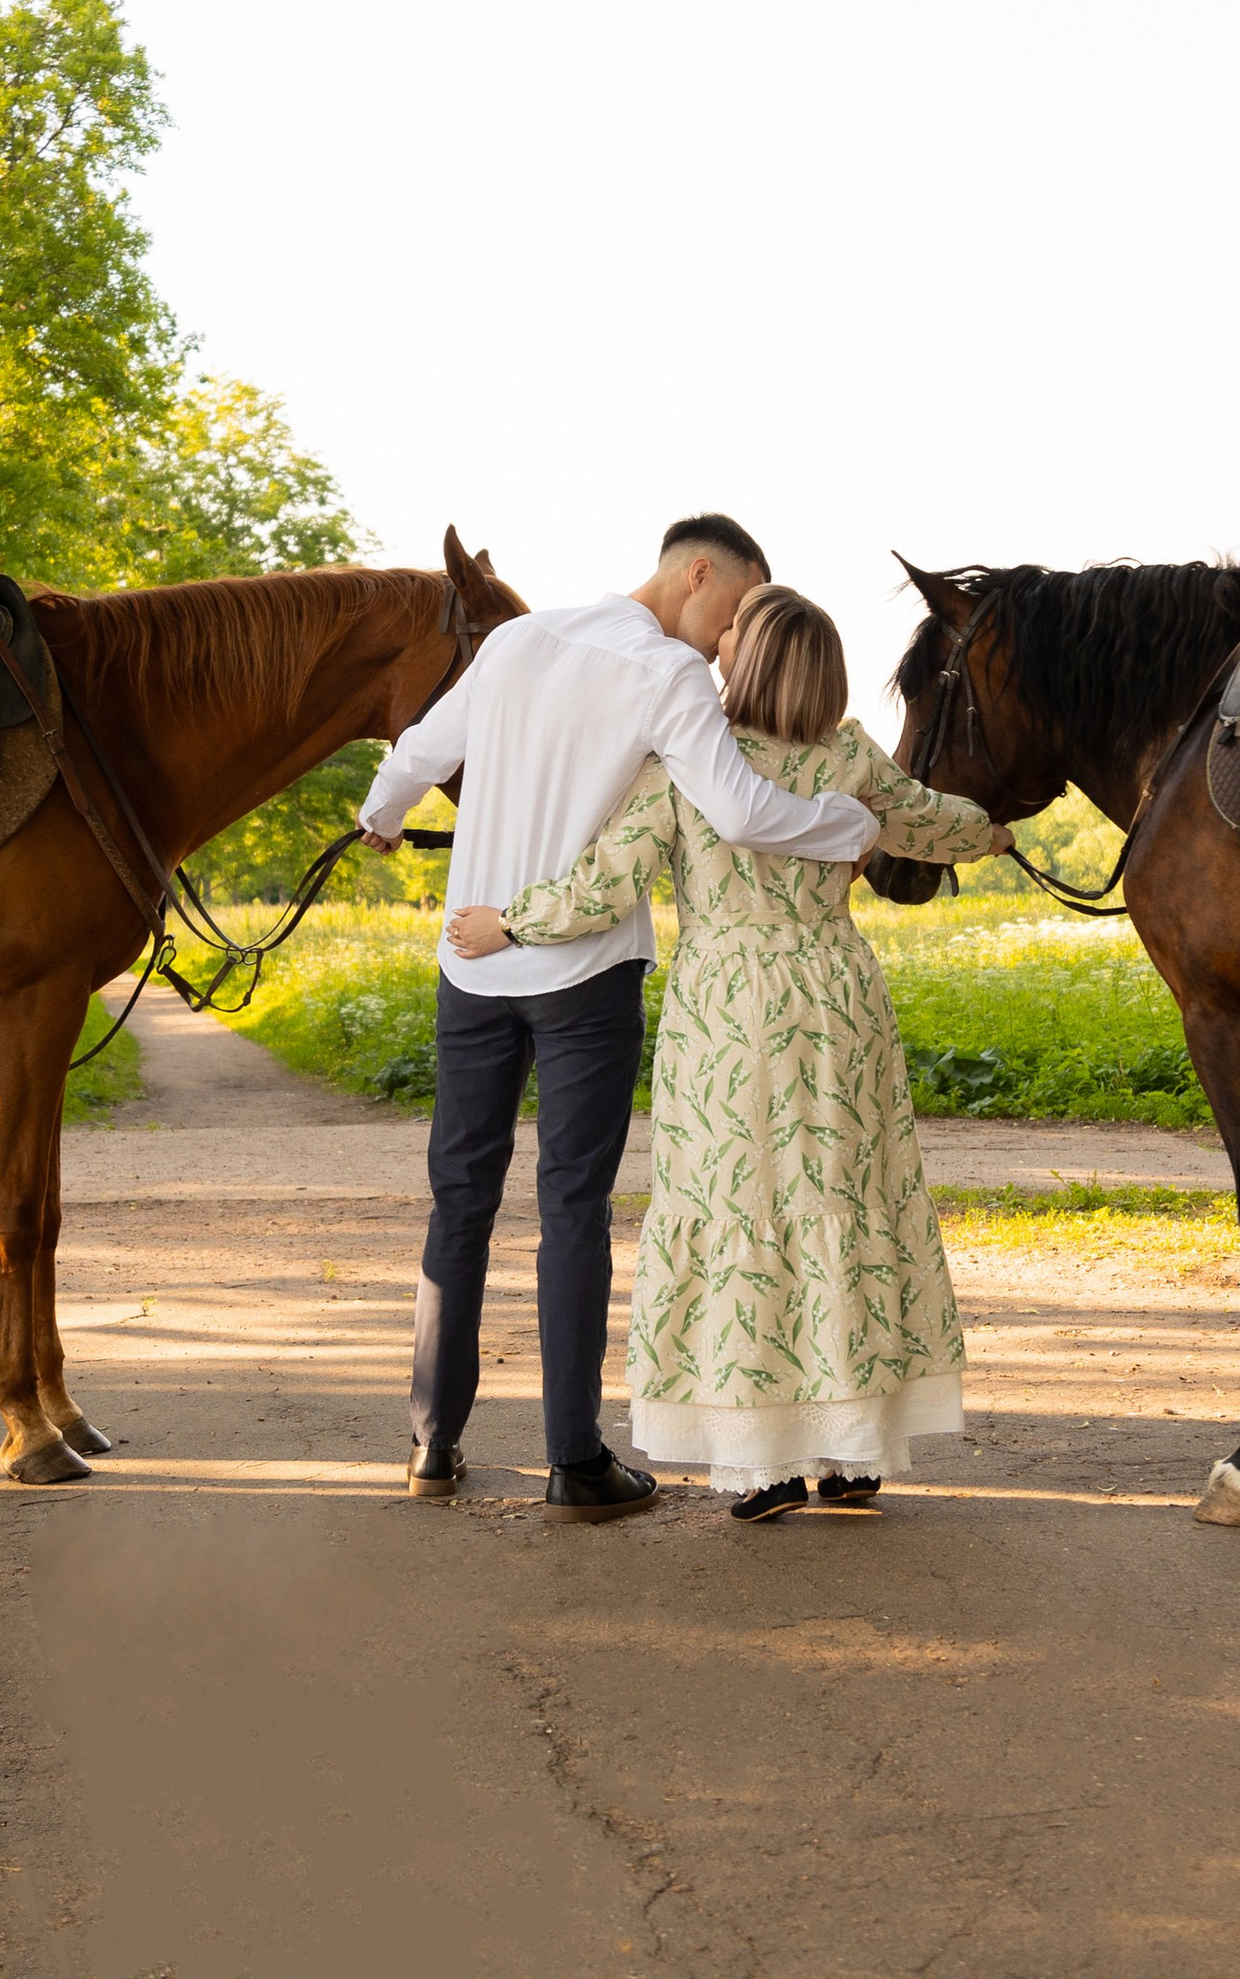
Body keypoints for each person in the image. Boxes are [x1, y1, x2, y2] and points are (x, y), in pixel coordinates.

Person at [448, 583, 1013, 1521]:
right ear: (827, 670)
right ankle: (849, 1449)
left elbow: (604, 881)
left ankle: (762, 1462)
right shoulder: (849, 754)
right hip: (836, 1000)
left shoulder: (687, 762)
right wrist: (996, 834)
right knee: (840, 1205)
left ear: (742, 665)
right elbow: (929, 818)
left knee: (741, 1217)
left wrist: (507, 923)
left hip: (728, 1018)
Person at [357, 516, 883, 1523]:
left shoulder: (516, 640)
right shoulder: (670, 678)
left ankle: (433, 1442)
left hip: (472, 963)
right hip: (580, 974)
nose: (731, 643)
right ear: (697, 574)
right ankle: (573, 1459)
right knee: (571, 1211)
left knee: (458, 1199)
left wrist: (381, 814)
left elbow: (422, 747)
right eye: (734, 611)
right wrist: (848, 825)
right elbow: (736, 810)